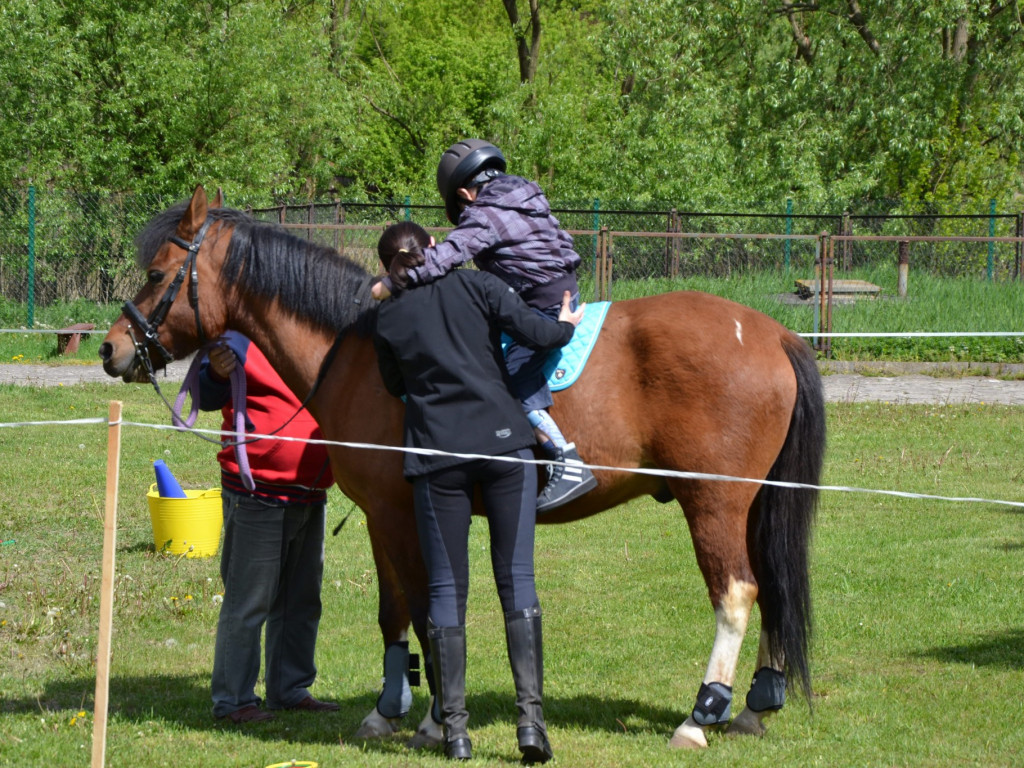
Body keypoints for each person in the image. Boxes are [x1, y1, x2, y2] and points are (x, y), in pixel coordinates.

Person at [373, 222, 584, 762]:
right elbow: (538, 334)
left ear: (387, 268)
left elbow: (396, 386)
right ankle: (531, 725)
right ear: (435, 248)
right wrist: (564, 326)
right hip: (505, 449)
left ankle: (457, 733)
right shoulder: (478, 284)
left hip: (437, 456)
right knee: (517, 581)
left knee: (447, 590)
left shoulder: (387, 317)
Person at [371, 139, 596, 514]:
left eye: (460, 208)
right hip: (561, 288)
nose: (464, 213)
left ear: (464, 193)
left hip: (541, 304)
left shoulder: (484, 213)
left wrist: (392, 283)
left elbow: (448, 255)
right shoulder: (525, 191)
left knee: (507, 381)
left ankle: (565, 458)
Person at [198, 331, 338, 723]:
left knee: (301, 599)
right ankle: (233, 700)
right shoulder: (236, 335)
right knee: (249, 600)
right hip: (256, 491)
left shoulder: (318, 325)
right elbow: (204, 397)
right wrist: (217, 374)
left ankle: (289, 688)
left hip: (310, 489)